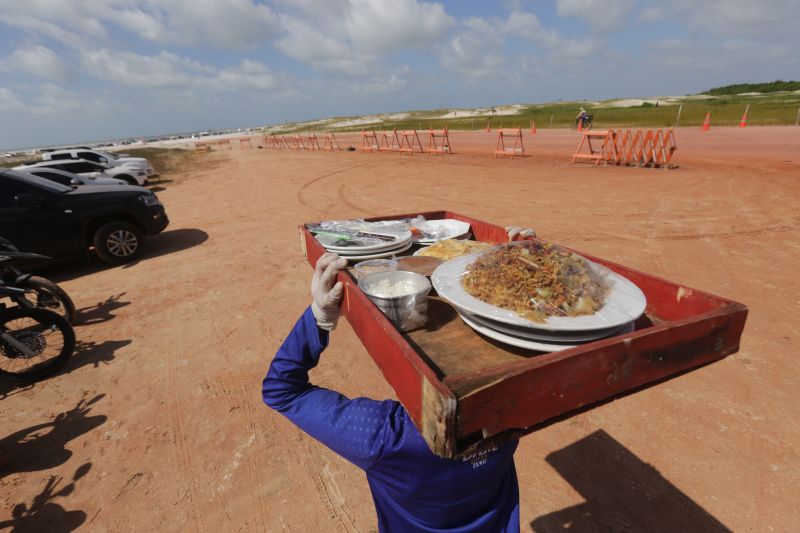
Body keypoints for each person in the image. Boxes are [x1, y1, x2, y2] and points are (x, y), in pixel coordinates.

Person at [262, 227, 534, 532]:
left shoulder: (383, 436)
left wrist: (319, 316)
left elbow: (281, 389)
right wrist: (517, 263)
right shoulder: (519, 409)